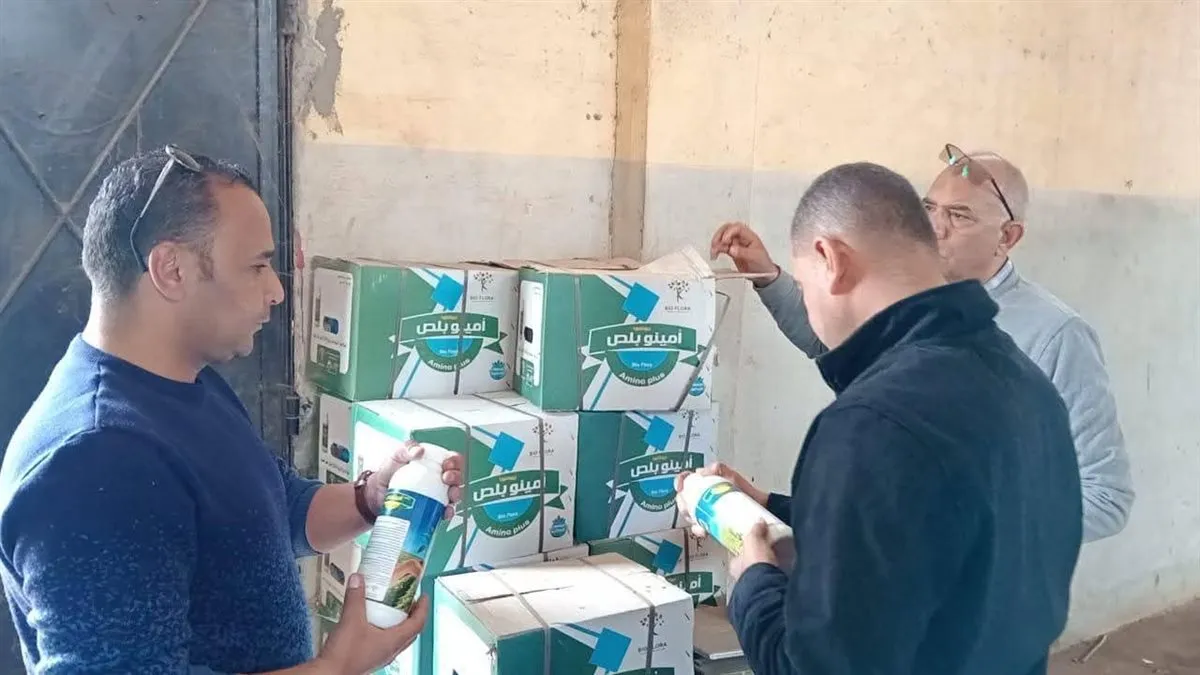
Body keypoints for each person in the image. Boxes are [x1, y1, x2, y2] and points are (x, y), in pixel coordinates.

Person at [0, 146, 462, 674]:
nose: (277, 291)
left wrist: (370, 497)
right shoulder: (95, 464)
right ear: (171, 269)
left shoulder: (187, 382)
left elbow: (271, 512)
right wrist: (338, 666)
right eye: (256, 266)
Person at [677, 162, 1083, 674]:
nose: (807, 306)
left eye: (803, 285)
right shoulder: (1025, 381)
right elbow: (935, 530)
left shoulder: (869, 424)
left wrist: (755, 582)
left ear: (830, 260)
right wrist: (776, 507)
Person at [711, 146, 1133, 543]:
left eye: (960, 216)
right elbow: (831, 345)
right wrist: (767, 278)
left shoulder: (1056, 335)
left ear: (1008, 236)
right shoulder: (910, 301)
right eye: (929, 209)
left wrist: (967, 525)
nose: (934, 228)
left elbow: (1106, 497)